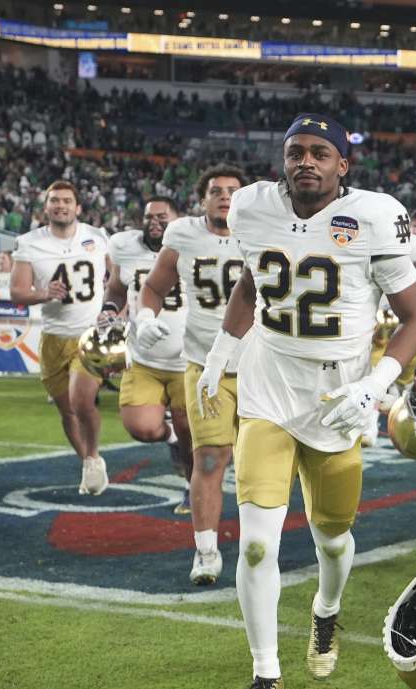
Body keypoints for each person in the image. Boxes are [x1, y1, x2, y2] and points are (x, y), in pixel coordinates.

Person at [199, 113, 416, 689]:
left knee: (332, 538)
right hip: (268, 387)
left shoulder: (374, 217)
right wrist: (221, 352)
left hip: (338, 397)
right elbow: (251, 286)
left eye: (319, 153)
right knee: (255, 545)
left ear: (342, 165)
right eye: (296, 151)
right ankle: (265, 671)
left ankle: (326, 609)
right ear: (283, 158)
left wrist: (374, 387)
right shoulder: (252, 206)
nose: (306, 161)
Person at [141, 164, 248, 586]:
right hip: (207, 365)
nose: (225, 197)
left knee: (262, 465)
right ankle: (206, 551)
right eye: (216, 191)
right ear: (202, 199)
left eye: (233, 191)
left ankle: (263, 545)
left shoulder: (263, 230)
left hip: (263, 365)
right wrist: (144, 318)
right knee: (208, 457)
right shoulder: (183, 235)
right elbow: (154, 286)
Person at [9, 180, 110, 494]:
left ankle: (92, 455)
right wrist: (44, 294)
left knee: (82, 403)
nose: (61, 205)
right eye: (54, 200)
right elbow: (18, 293)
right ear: (46, 207)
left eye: (67, 200)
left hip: (91, 334)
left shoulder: (98, 236)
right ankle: (88, 462)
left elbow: (116, 277)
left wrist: (112, 307)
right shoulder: (29, 243)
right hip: (53, 337)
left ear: (78, 207)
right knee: (66, 410)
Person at [99, 196, 192, 514]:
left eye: (162, 216)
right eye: (149, 216)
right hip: (144, 359)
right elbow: (115, 289)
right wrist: (109, 312)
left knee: (191, 433)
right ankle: (171, 438)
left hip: (188, 358)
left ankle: (193, 488)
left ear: (178, 219)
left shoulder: (198, 244)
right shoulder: (124, 246)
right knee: (141, 428)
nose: (154, 222)